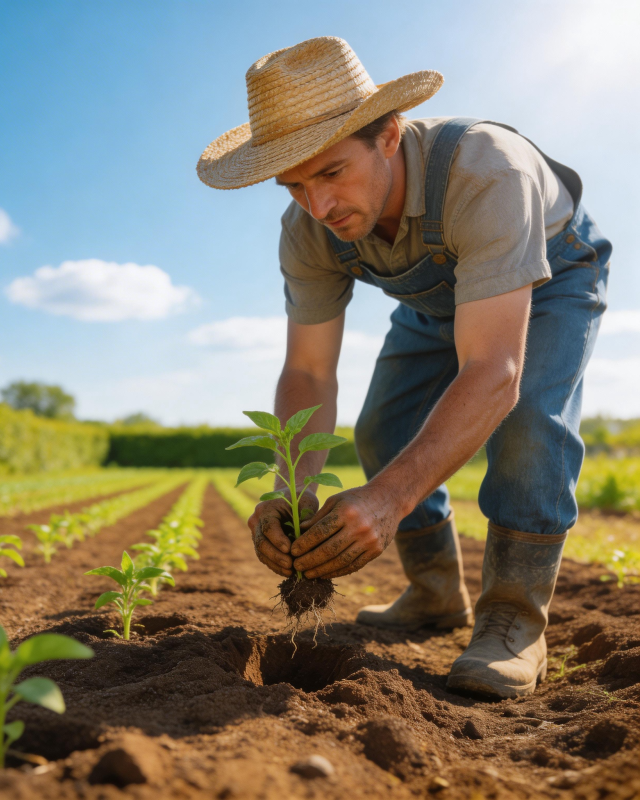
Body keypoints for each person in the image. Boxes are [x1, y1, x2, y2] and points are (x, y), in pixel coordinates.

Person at [197, 37, 610, 699]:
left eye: (331, 172)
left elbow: (494, 368)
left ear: (389, 134)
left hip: (551, 276)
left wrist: (390, 500)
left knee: (530, 421)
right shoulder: (308, 231)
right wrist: (291, 489)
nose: (319, 206)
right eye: (294, 185)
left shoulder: (487, 172)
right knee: (383, 429)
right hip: (436, 298)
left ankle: (513, 620)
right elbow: (307, 372)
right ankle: (434, 594)